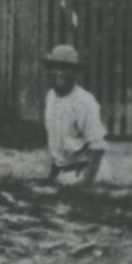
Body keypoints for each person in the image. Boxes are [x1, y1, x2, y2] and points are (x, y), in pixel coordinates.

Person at [42, 45, 107, 188]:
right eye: (55, 67)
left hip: (86, 172)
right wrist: (51, 179)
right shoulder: (51, 97)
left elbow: (97, 148)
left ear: (75, 72)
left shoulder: (85, 101)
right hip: (63, 173)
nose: (60, 73)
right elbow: (56, 146)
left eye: (66, 68)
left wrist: (86, 184)